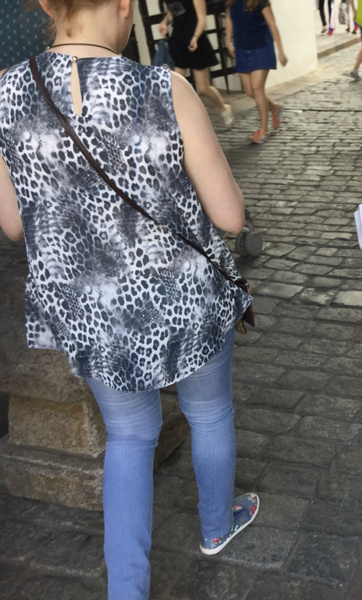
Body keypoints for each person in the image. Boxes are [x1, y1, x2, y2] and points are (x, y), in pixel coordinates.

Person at [0, 0, 259, 597]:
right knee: (209, 413)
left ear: (48, 5)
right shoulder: (163, 88)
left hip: (91, 314)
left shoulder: (7, 94)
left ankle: (127, 589)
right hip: (186, 300)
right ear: (123, 5)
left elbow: (13, 225)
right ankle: (217, 526)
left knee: (129, 437)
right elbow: (230, 216)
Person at [159, 0, 235, 127]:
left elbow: (201, 19)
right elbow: (172, 12)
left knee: (203, 87)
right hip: (178, 40)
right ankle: (186, 120)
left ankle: (224, 107)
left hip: (195, 40)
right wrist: (164, 22)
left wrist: (195, 37)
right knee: (176, 85)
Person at [225, 0, 288, 144]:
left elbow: (272, 24)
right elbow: (229, 20)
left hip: (261, 48)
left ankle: (264, 130)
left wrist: (281, 51)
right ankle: (274, 108)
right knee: (250, 91)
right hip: (241, 49)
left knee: (257, 89)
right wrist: (228, 42)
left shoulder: (260, 1)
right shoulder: (231, 2)